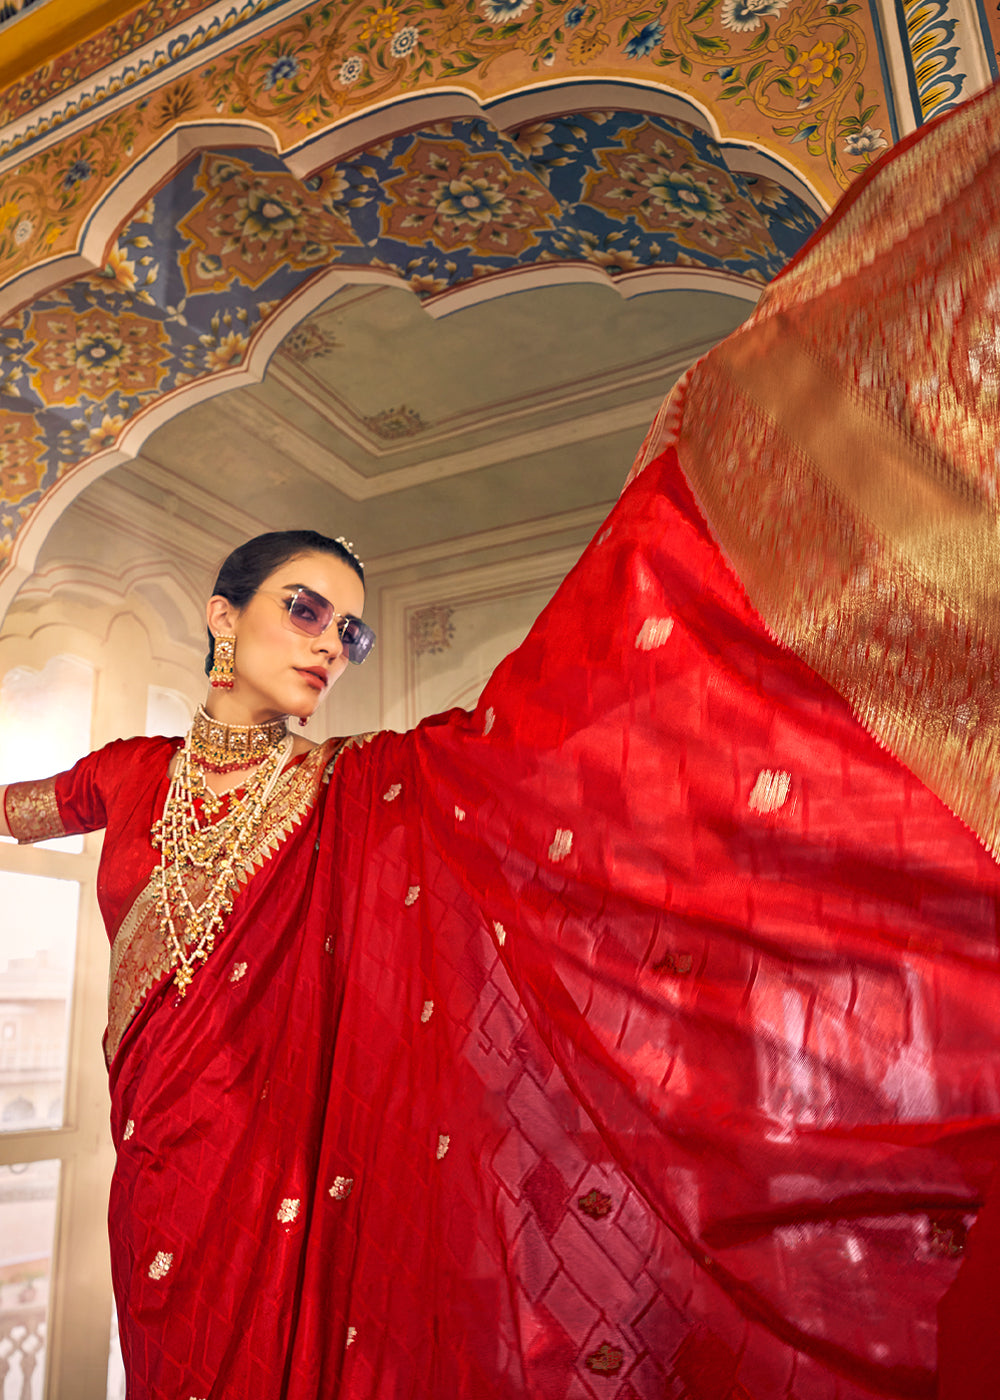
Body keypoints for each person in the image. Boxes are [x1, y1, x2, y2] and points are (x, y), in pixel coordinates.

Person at [3, 77, 1000, 1400]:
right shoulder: (123, 776)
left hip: (300, 1171)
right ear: (220, 614)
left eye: (349, 631)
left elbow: (518, 783)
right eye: (303, 610)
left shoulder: (355, 794)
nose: (325, 644)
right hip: (165, 1167)